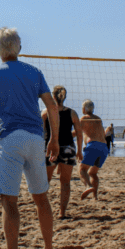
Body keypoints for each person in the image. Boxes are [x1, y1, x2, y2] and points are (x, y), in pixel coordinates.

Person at [0, 28, 59, 249]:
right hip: (35, 138)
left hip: (10, 139)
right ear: (19, 48)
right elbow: (52, 107)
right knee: (41, 198)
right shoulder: (34, 72)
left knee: (9, 201)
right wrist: (53, 138)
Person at [41, 85, 81, 219]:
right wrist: (80, 150)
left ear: (52, 96)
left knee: (45, 181)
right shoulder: (72, 113)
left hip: (49, 148)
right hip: (68, 148)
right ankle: (62, 213)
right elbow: (79, 134)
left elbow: (39, 133)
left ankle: (43, 210)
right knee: (65, 182)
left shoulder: (45, 112)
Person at [78, 100, 109, 201]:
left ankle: (88, 186)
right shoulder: (98, 119)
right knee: (92, 173)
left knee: (82, 170)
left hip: (93, 145)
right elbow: (102, 134)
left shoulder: (84, 118)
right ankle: (95, 197)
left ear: (84, 109)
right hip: (104, 147)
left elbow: (76, 132)